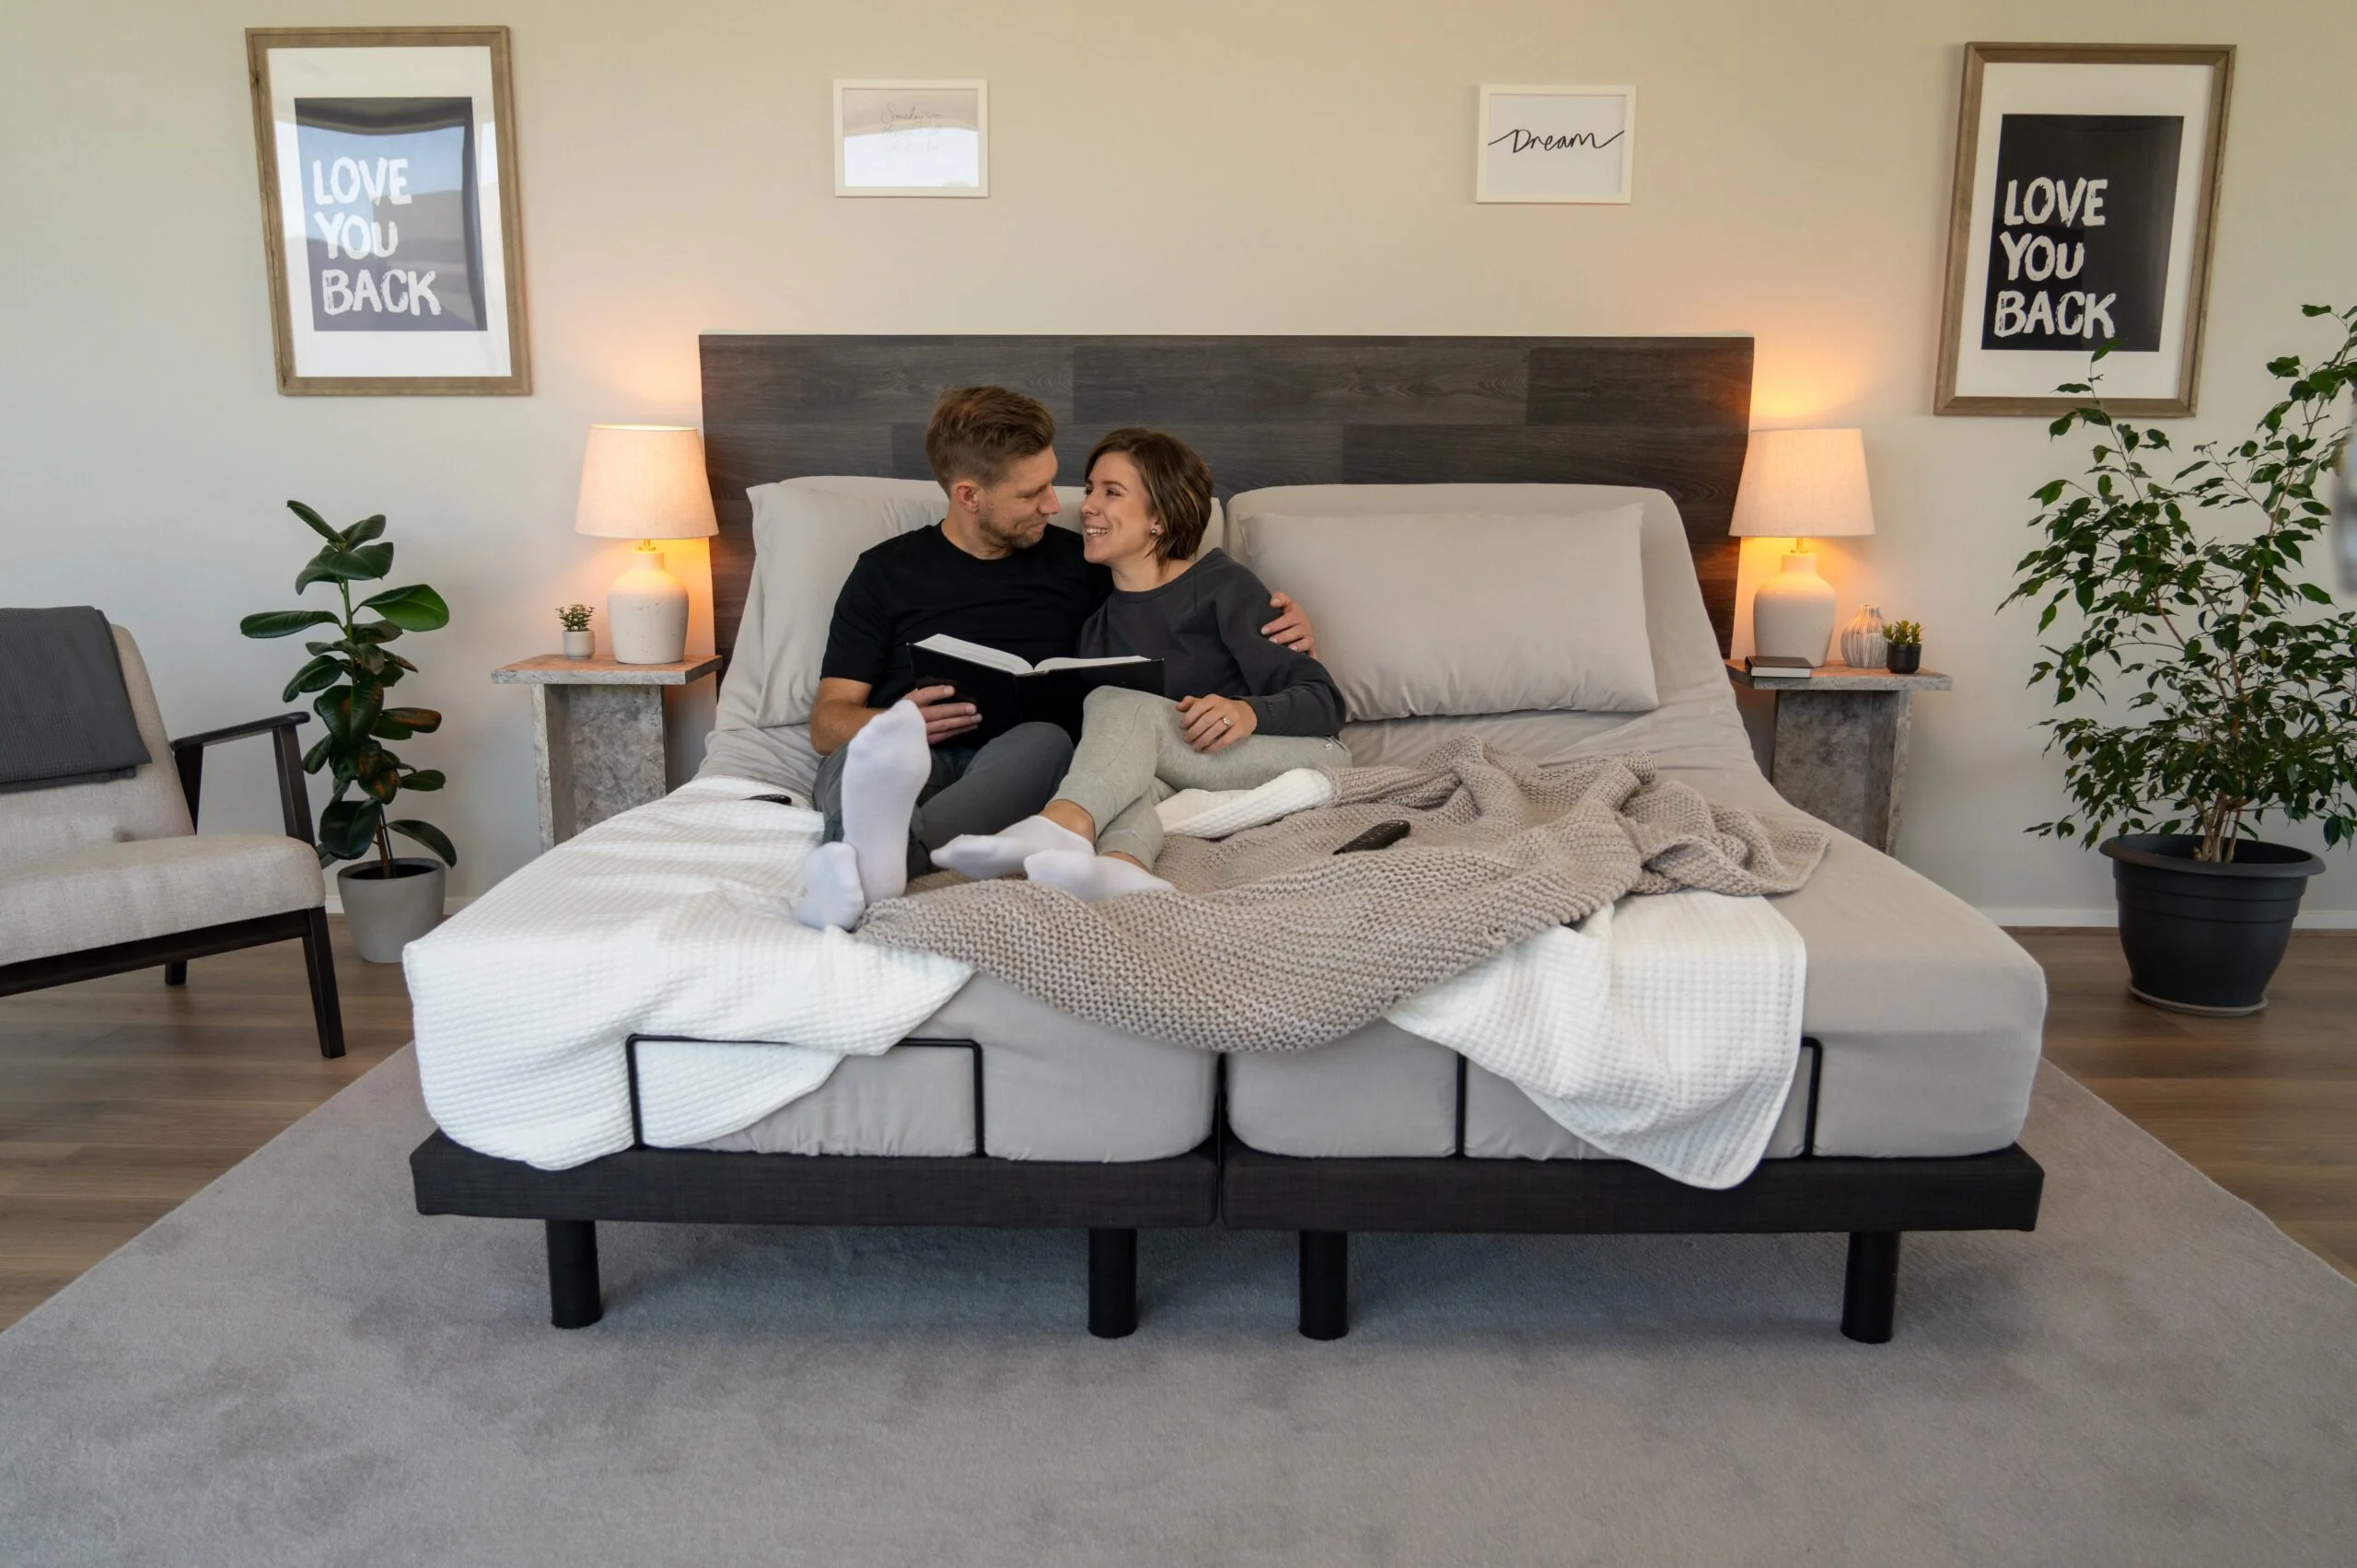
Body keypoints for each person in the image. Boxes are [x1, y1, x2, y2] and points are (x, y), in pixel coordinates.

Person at [794, 389, 1316, 930]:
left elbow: (1169, 595)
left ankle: (857, 873)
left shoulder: (1083, 562)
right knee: (861, 758)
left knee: (1044, 741)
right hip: (901, 749)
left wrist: (1275, 623)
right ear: (969, 495)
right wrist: (897, 723)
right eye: (1032, 493)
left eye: (1053, 483)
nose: (1054, 505)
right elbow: (827, 723)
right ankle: (870, 854)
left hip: (1016, 758)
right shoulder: (882, 573)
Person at [927, 426, 1349, 901]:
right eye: (1090, 489)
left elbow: (1326, 702)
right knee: (1126, 778)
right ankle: (1122, 870)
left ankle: (1063, 823)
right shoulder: (1096, 626)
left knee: (1116, 702)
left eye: (1111, 492)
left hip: (1296, 752)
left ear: (1159, 517)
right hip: (1186, 767)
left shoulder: (1223, 586)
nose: (1087, 506)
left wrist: (1245, 711)